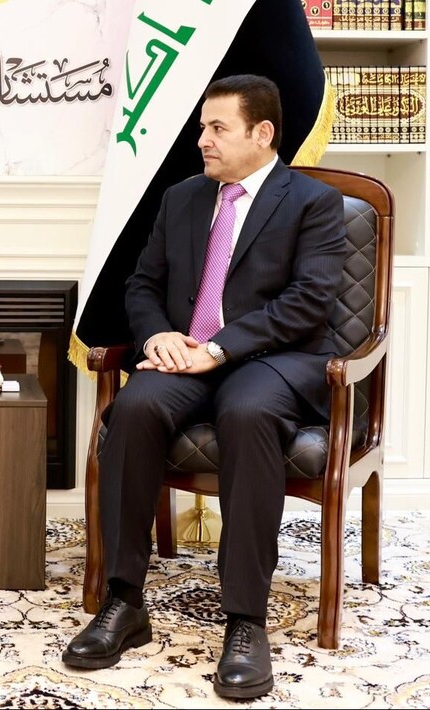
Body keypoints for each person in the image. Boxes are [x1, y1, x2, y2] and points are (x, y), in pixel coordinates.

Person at [61, 74, 347, 700]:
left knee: (248, 414)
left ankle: (245, 620)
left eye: (217, 128)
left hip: (272, 361)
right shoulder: (183, 198)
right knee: (133, 408)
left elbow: (308, 302)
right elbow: (142, 284)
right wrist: (158, 337)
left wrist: (218, 348)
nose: (203, 141)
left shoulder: (313, 202)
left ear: (262, 133)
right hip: (184, 355)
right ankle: (123, 601)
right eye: (202, 128)